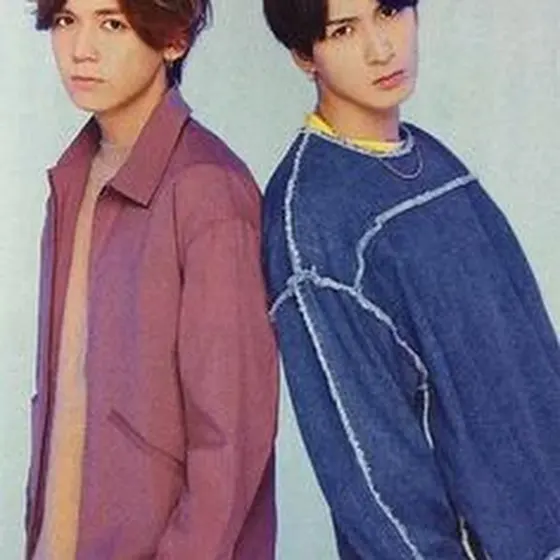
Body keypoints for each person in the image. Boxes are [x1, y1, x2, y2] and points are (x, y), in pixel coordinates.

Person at [261, 0, 560, 557]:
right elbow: (372, 479)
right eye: (343, 31)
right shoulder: (311, 220)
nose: (381, 48)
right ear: (304, 55)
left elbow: (529, 358)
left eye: (390, 11)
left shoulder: (430, 156)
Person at [25, 0, 278, 558]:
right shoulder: (74, 177)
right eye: (66, 20)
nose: (81, 49)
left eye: (112, 23)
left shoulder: (209, 191)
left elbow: (230, 444)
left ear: (174, 39)